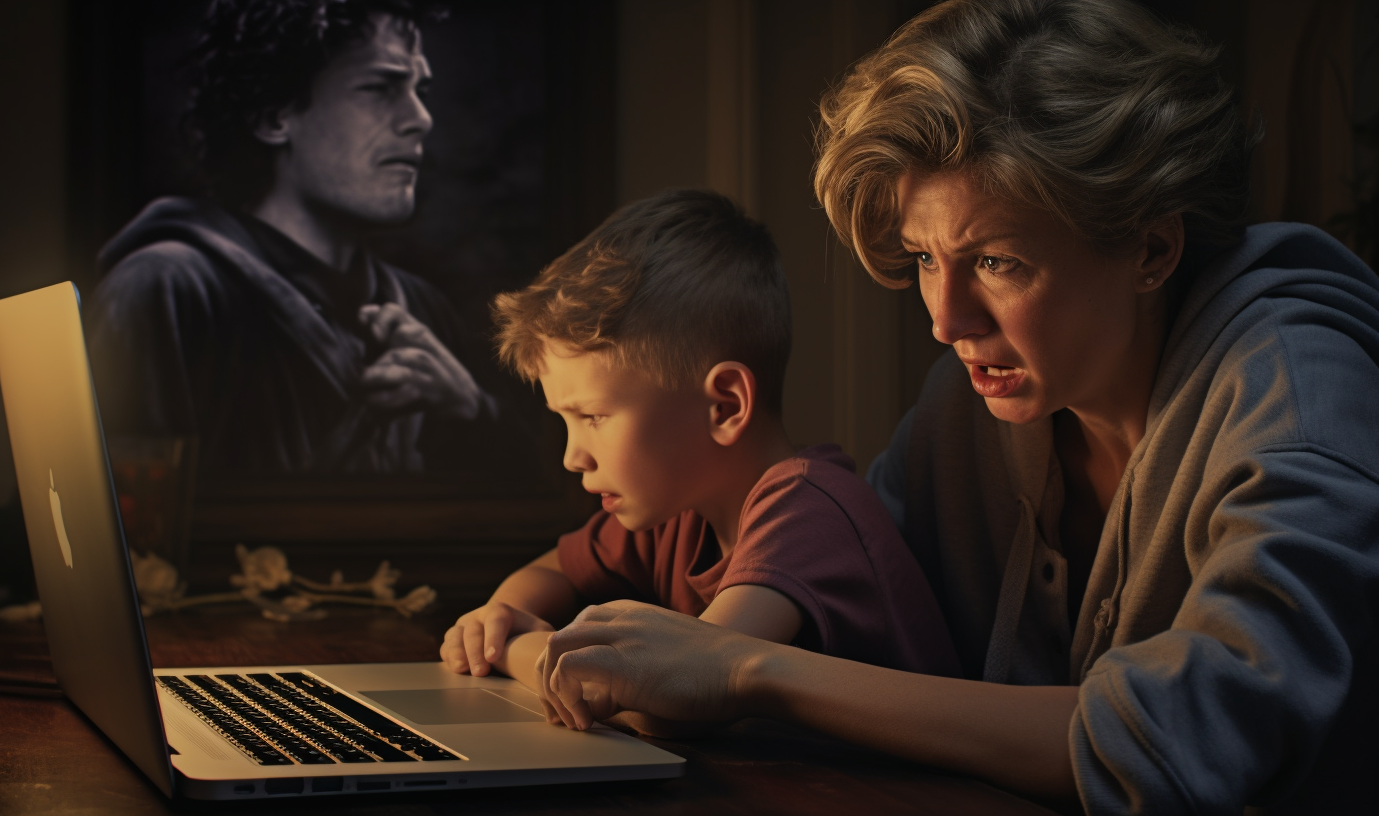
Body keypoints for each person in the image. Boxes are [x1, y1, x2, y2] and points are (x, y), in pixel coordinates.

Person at [531, 1, 1379, 813]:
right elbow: (864, 603)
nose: (945, 319)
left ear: (1151, 246)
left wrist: (746, 668)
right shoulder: (972, 403)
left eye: (998, 262)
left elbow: (1183, 742)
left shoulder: (1299, 400)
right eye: (925, 258)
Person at [439, 190, 961, 727]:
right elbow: (553, 569)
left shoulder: (808, 514)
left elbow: (667, 705)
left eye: (592, 417)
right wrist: (500, 619)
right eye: (564, 420)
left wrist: (516, 647)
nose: (573, 457)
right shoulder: (677, 511)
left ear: (725, 405)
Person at [87, 0, 496, 475]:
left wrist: (474, 412)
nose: (420, 118)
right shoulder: (163, 290)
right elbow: (122, 530)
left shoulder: (425, 311)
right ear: (273, 117)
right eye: (379, 87)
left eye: (418, 89)